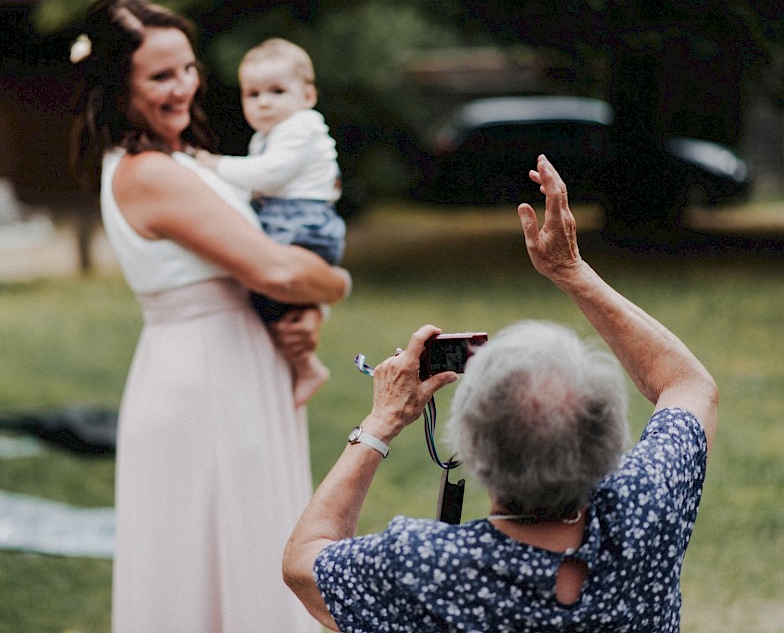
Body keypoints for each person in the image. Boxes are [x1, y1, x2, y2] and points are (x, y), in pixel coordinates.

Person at [283, 155, 719, 632]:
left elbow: (304, 561)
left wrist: (383, 419)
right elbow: (688, 384)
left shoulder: (425, 568)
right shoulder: (647, 509)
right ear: (608, 442)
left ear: (472, 447)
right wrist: (571, 270)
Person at [68, 0, 350, 633]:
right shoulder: (148, 173)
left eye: (188, 69)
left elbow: (265, 267)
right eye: (160, 76)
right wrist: (336, 282)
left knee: (256, 543)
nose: (183, 88)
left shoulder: (175, 161)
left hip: (237, 365)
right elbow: (276, 268)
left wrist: (310, 314)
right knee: (228, 549)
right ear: (119, 86)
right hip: (205, 379)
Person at [195, 37, 345, 406]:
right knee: (275, 299)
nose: (264, 101)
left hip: (302, 222)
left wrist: (214, 165)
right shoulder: (266, 135)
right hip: (289, 218)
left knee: (264, 286)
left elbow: (268, 175)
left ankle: (307, 366)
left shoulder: (302, 126)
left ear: (307, 96)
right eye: (252, 93)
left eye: (277, 91)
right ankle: (301, 356)